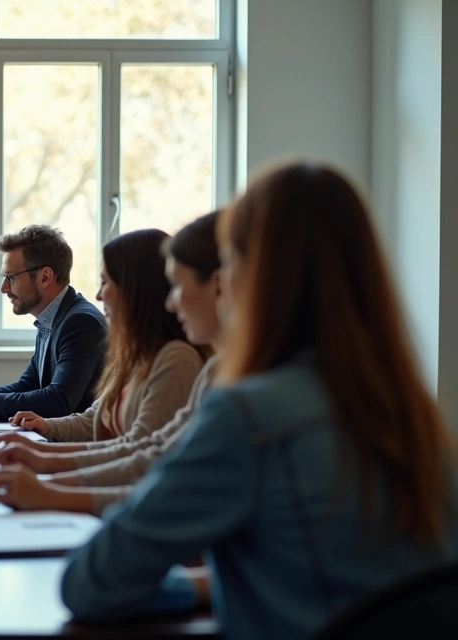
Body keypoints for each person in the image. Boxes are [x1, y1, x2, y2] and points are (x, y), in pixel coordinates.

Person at [59, 163, 458, 639]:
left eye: (226, 262)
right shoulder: (409, 409)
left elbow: (92, 581)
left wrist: (189, 585)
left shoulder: (247, 415)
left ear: (255, 274)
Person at [0, 212, 222, 515]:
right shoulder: (137, 354)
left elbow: (142, 454)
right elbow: (95, 419)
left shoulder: (177, 358)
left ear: (136, 289)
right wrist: (41, 440)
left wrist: (51, 482)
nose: (97, 294)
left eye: (106, 282)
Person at [0, 225, 106, 420]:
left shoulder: (81, 322)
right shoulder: (52, 317)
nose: (3, 288)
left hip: (79, 446)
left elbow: (59, 400)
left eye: (10, 277)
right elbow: (28, 386)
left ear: (45, 277)